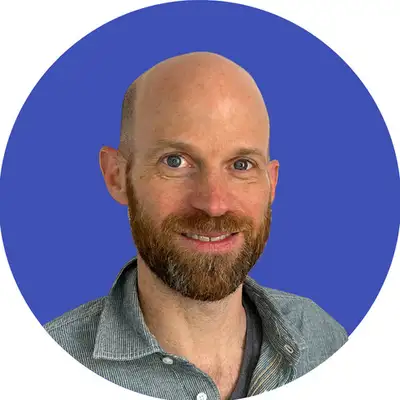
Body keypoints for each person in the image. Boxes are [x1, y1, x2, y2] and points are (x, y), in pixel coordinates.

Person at [44, 52, 347, 400]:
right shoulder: (41, 373)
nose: (214, 203)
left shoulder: (324, 342)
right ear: (117, 176)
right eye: (175, 161)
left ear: (272, 183)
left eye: (241, 164)